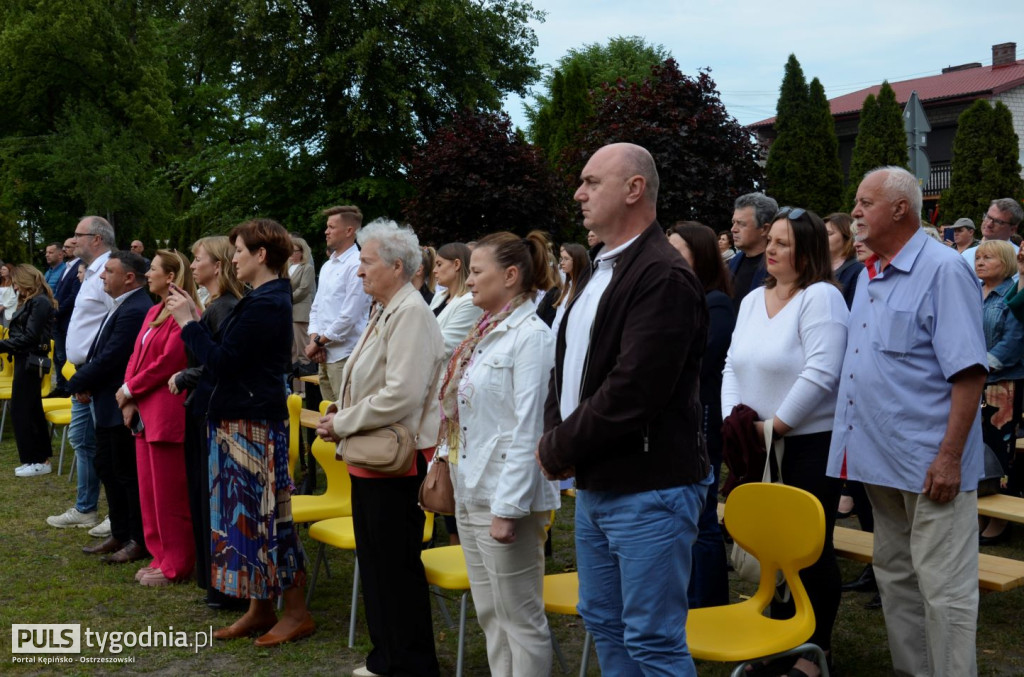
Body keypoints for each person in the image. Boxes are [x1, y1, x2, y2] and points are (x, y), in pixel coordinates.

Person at [536, 143, 711, 675]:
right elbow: (565, 369)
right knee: (605, 623)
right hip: (601, 483)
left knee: (652, 640)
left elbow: (634, 389)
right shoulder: (601, 272)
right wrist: (557, 436)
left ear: (634, 189)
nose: (578, 192)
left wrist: (559, 445)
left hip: (649, 489)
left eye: (591, 181)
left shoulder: (661, 275)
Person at [827, 166, 987, 677]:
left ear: (900, 209)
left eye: (864, 201)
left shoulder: (942, 269)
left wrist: (948, 457)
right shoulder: (872, 272)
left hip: (929, 464)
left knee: (944, 589)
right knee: (895, 576)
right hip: (881, 460)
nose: (854, 212)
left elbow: (968, 373)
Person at [167, 218, 315, 647]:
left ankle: (297, 612)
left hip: (253, 425)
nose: (234, 258)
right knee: (245, 522)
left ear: (261, 255)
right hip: (238, 421)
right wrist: (194, 318)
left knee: (270, 519)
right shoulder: (259, 299)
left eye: (239, 251)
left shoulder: (268, 303)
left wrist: (187, 324)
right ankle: (260, 607)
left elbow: (222, 362)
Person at [722, 207, 849, 675]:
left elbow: (822, 373)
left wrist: (773, 428)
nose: (771, 249)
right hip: (755, 442)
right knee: (769, 548)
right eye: (770, 240)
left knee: (809, 550)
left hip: (807, 443)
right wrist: (733, 422)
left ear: (808, 250)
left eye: (782, 242)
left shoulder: (822, 298)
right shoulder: (754, 299)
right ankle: (777, 639)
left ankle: (813, 652)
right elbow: (731, 365)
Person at [317, 219, 443, 677]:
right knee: (377, 564)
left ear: (396, 266)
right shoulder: (387, 308)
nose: (358, 271)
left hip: (396, 461)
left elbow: (401, 395)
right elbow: (372, 380)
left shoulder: (410, 312)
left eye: (366, 262)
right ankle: (387, 656)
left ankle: (408, 662)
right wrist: (340, 408)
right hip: (373, 457)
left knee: (393, 566)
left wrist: (342, 422)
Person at [437, 231, 560, 675]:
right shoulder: (484, 332)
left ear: (510, 276)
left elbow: (529, 428)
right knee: (491, 615)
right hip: (472, 489)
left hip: (506, 498)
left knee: (520, 618)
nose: (468, 281)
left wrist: (507, 509)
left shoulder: (532, 336)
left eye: (476, 271)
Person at [169, 236, 244, 608]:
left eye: (198, 259)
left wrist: (186, 377)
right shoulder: (216, 306)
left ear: (218, 266)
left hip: (211, 411)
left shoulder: (226, 307)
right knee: (200, 495)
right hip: (202, 408)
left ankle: (221, 587)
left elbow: (218, 361)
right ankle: (212, 582)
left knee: (209, 498)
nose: (193, 265)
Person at [116, 250, 198, 585]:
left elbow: (169, 362)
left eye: (153, 269)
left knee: (169, 496)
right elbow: (137, 355)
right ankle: (160, 554)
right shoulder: (154, 310)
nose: (147, 274)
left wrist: (130, 390)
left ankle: (177, 563)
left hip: (166, 413)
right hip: (144, 412)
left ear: (171, 277)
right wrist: (127, 393)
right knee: (150, 494)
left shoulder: (187, 312)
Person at [666, 221, 735, 609]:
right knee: (686, 516)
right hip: (680, 420)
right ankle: (689, 597)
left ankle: (708, 603)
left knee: (703, 516)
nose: (670, 258)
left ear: (701, 255)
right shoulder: (680, 296)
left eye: (679, 251)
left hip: (703, 417)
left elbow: (701, 360)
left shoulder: (716, 302)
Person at [68, 252, 152, 561]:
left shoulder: (135, 308)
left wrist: (74, 382)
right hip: (106, 402)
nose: (102, 276)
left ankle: (136, 538)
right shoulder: (121, 304)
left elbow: (114, 356)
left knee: (126, 474)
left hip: (121, 404)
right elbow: (100, 351)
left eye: (109, 271)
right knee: (107, 466)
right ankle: (119, 532)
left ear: (129, 277)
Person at [47, 216, 115, 530]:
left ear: (97, 239)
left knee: (109, 444)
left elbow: (114, 328)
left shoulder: (109, 272)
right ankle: (85, 507)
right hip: (83, 373)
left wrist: (89, 375)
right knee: (82, 440)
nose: (73, 240)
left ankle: (118, 514)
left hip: (98, 374)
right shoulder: (88, 272)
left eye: (79, 235)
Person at [974, 240, 1024, 544]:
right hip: (972, 381)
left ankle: (998, 520)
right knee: (977, 448)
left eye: (988, 257)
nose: (980, 261)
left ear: (1005, 261)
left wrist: (982, 366)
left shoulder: (1012, 294)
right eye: (978, 256)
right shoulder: (972, 292)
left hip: (1001, 382)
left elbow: (1014, 341)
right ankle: (980, 510)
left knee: (998, 448)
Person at [305, 205, 372, 404]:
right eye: (327, 226)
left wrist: (317, 343)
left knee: (346, 416)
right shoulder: (327, 266)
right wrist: (315, 340)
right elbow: (316, 307)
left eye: (331, 227)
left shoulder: (356, 265)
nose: (326, 231)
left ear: (349, 231)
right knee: (328, 416)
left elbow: (349, 316)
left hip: (345, 356)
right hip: (324, 355)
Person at [1, 264, 56, 477]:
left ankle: (37, 458)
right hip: (25, 359)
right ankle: (36, 458)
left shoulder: (39, 302)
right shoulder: (33, 301)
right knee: (28, 409)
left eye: (16, 282)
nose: (14, 287)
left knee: (23, 410)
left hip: (31, 360)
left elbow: (30, 336)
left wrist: (2, 345)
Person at [430, 242, 483, 362]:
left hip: (443, 377)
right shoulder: (439, 297)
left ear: (456, 264)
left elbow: (443, 345)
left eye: (439, 264)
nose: (434, 270)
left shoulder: (470, 303)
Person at [728, 192, 779, 312]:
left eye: (741, 224)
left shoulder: (778, 267)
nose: (733, 229)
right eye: (733, 222)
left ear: (765, 229)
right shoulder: (733, 263)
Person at [49, 237, 82, 398]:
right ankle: (60, 386)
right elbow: (59, 292)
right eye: (64, 247)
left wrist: (57, 312)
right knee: (57, 355)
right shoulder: (67, 267)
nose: (65, 250)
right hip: (58, 318)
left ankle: (67, 389)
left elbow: (73, 296)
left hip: (66, 318)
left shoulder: (79, 267)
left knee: (64, 356)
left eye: (69, 247)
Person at [961, 198, 1023, 269]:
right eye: (988, 217)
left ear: (1012, 230)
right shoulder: (966, 255)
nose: (989, 224)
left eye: (998, 221)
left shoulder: (1020, 259)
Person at [288, 235, 316, 370]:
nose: (291, 254)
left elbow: (304, 289)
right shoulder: (286, 268)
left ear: (302, 252)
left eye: (294, 251)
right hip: (288, 312)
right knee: (292, 352)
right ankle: (296, 389)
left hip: (300, 313)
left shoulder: (307, 268)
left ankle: (307, 389)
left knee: (302, 351)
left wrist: (286, 299)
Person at [824, 213, 861, 309]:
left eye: (829, 234)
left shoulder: (857, 270)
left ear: (847, 237)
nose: (822, 238)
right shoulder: (816, 268)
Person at [552, 243, 591, 335]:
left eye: (566, 259)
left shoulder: (583, 290)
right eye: (562, 259)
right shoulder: (567, 287)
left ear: (577, 261)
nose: (562, 263)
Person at [0, 263, 16, 327]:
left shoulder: (13, 282)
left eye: (4, 269)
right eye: (1, 269)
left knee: (6, 328)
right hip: (0, 308)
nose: (1, 271)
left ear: (9, 271)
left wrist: (3, 307)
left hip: (7, 309)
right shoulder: (2, 282)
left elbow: (13, 297)